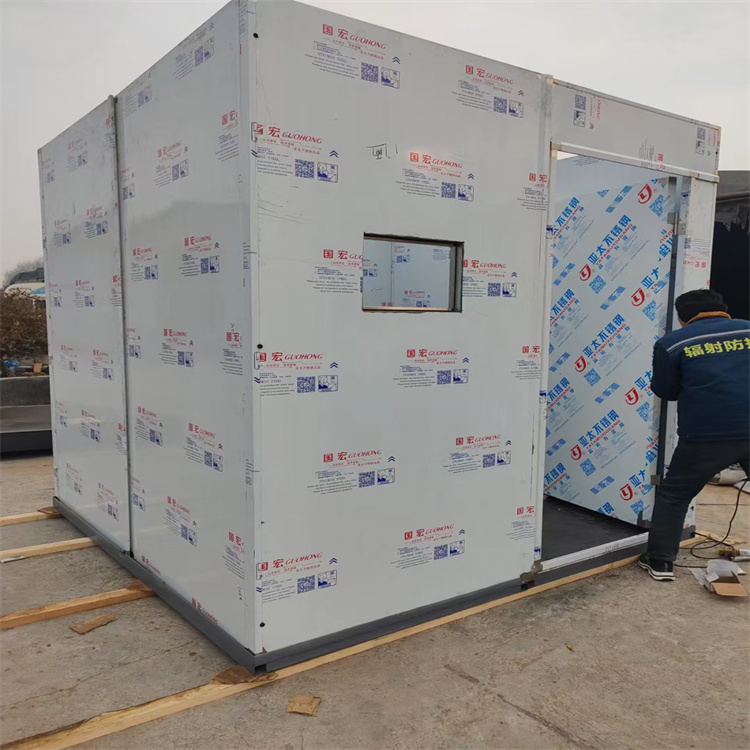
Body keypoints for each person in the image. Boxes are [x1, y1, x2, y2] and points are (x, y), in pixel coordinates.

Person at [639, 289, 750, 581]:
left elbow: (665, 390)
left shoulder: (673, 343)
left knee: (674, 495)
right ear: (724, 308)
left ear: (682, 318)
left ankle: (661, 563)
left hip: (706, 435)